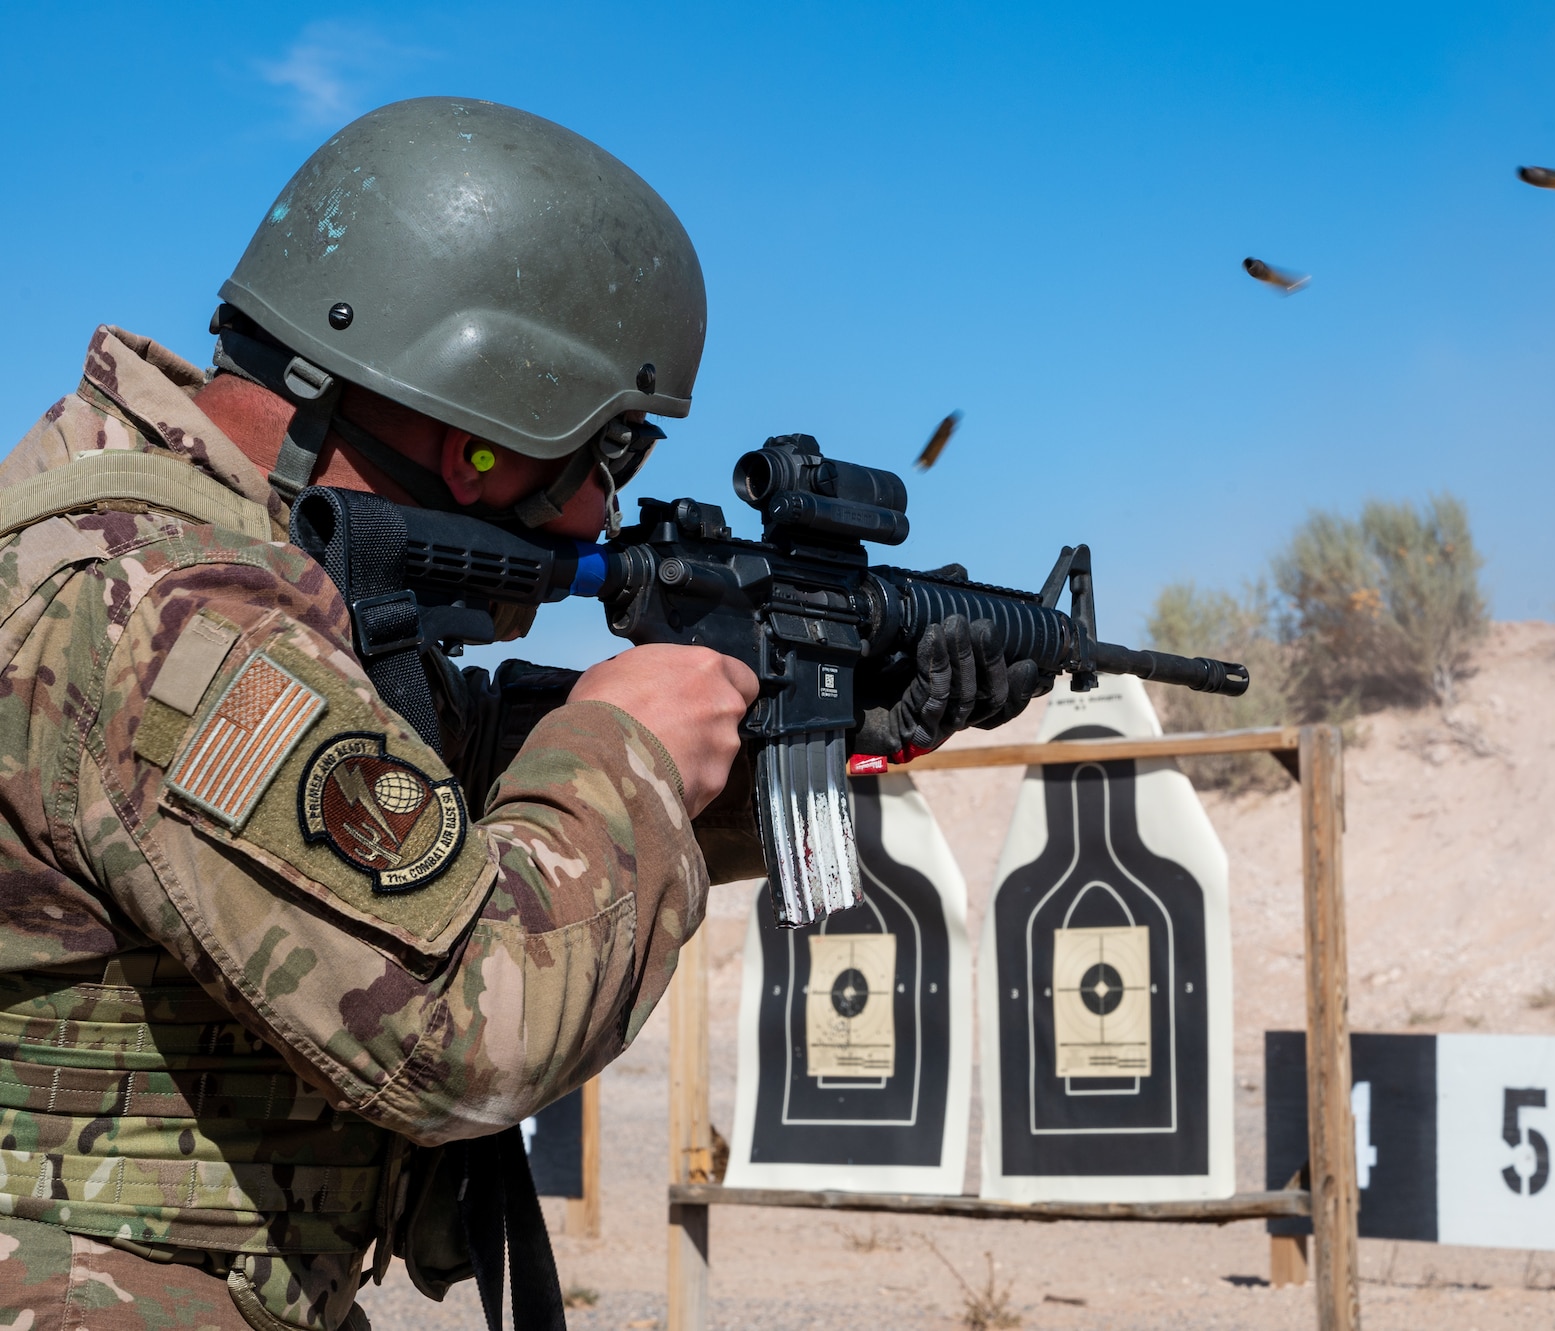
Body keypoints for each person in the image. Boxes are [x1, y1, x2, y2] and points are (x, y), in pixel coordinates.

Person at [0, 97, 1030, 1331]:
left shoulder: (211, 570)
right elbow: (463, 1026)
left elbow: (444, 791)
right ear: (479, 418)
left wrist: (825, 711)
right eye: (607, 453)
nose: (600, 515)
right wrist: (629, 743)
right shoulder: (167, 614)